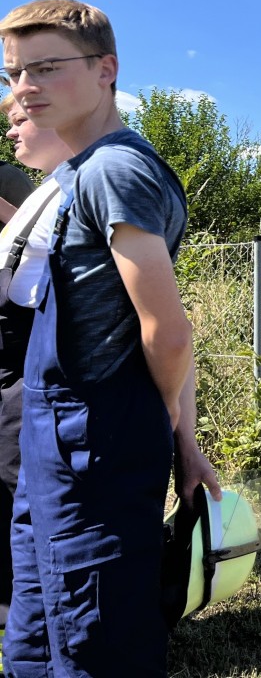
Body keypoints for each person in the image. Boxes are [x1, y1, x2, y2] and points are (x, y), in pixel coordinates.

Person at [0, 0, 218, 677]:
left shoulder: (112, 171)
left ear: (106, 70)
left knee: (96, 640)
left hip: (93, 443)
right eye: (13, 73)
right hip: (52, 444)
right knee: (37, 635)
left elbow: (168, 333)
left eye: (45, 68)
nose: (24, 88)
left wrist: (176, 429)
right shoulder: (75, 171)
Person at [0, 92, 70, 643]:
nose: (11, 131)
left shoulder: (20, 182)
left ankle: (23, 617)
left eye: (19, 120)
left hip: (21, 372)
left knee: (13, 485)